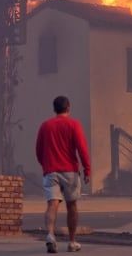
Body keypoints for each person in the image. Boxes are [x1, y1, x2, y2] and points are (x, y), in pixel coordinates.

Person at [36, 95, 91, 253]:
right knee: (72, 205)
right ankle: (72, 242)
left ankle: (50, 235)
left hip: (50, 171)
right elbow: (82, 149)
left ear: (54, 109)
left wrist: (46, 165)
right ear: (68, 108)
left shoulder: (45, 126)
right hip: (70, 172)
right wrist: (87, 170)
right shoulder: (74, 125)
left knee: (52, 204)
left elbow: (39, 150)